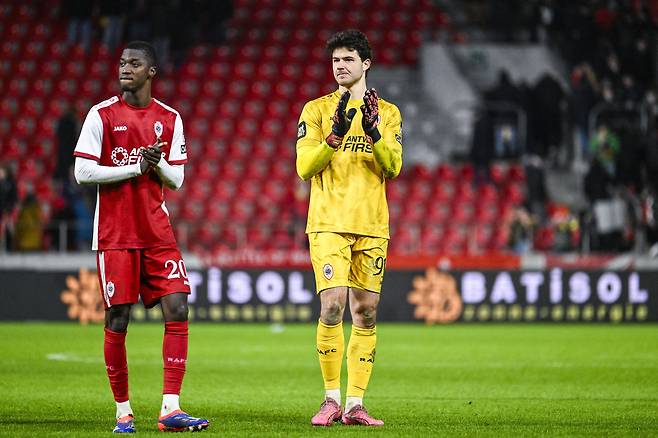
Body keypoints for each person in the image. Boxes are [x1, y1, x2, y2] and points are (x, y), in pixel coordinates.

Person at [73, 41, 209, 433]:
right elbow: (83, 172)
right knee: (118, 317)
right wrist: (135, 168)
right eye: (122, 63)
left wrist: (157, 163)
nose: (124, 68)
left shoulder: (169, 117)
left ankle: (170, 409)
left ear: (152, 72)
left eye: (134, 63)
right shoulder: (101, 115)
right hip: (115, 234)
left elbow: (177, 179)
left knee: (178, 307)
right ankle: (123, 412)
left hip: (157, 232)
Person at [295, 30, 403, 427]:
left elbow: (393, 167)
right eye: (335, 61)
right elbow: (304, 168)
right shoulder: (316, 110)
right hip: (328, 224)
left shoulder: (387, 113)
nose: (340, 66)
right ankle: (330, 399)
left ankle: (355, 404)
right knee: (332, 305)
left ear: (365, 64)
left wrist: (374, 134)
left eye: (348, 60)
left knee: (367, 313)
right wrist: (334, 137)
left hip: (372, 225)